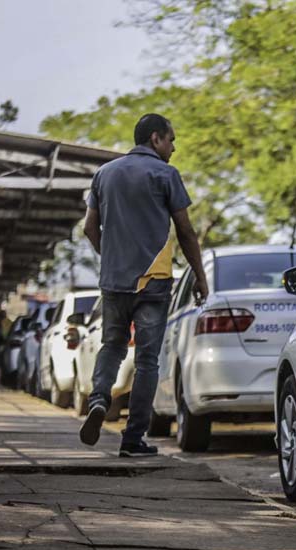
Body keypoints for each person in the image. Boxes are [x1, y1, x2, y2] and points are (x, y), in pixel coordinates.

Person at [79, 113, 208, 457]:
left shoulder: (104, 174)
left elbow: (90, 228)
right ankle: (133, 439)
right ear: (155, 139)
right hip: (153, 283)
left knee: (112, 346)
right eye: (171, 140)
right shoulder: (165, 174)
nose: (174, 147)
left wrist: (110, 259)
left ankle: (99, 399)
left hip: (113, 283)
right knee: (147, 360)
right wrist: (200, 275)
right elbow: (185, 231)